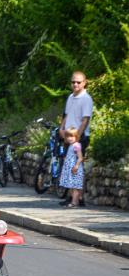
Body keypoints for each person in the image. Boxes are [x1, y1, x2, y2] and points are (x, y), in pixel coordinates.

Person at [59, 71, 93, 206]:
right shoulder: (70, 97)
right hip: (69, 136)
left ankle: (79, 198)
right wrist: (61, 129)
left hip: (79, 137)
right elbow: (67, 115)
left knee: (77, 168)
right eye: (73, 82)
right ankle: (71, 197)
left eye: (78, 82)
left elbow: (85, 120)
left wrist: (77, 136)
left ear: (84, 83)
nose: (75, 84)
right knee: (68, 166)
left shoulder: (86, 99)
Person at [59, 127, 84, 208]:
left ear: (76, 137)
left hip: (75, 169)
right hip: (70, 168)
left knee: (75, 187)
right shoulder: (71, 145)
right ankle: (74, 201)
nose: (70, 138)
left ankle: (74, 203)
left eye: (72, 136)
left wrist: (76, 166)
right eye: (68, 136)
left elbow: (80, 157)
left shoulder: (76, 145)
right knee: (72, 186)